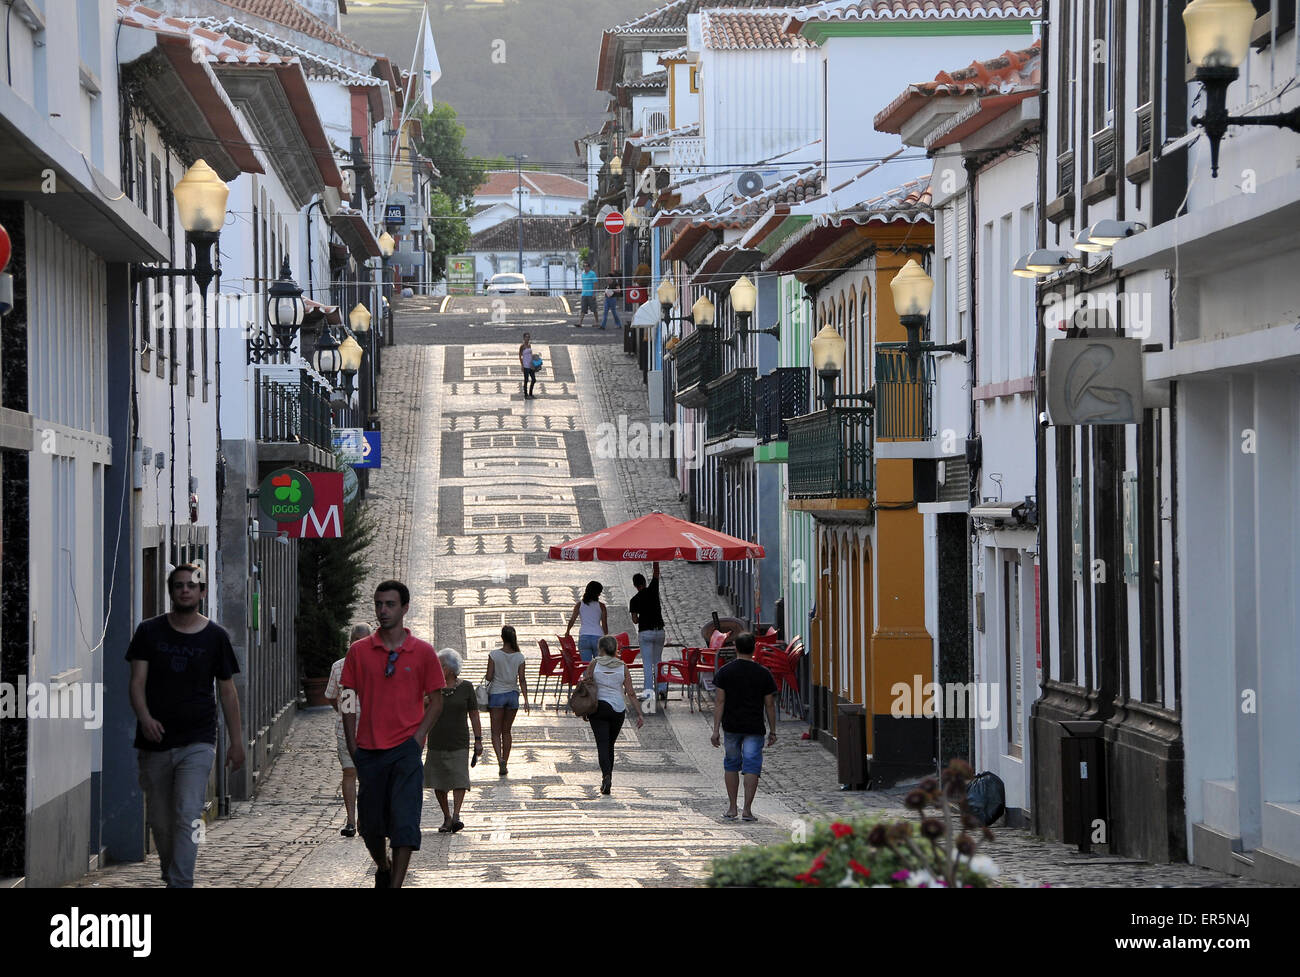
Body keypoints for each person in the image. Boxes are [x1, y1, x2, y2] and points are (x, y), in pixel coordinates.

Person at [127, 563, 245, 888]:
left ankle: (181, 882)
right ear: (171, 591)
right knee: (161, 821)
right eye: (178, 585)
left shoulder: (216, 637)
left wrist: (236, 741)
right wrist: (145, 718)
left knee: (188, 811)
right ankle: (171, 873)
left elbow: (227, 691)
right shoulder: (149, 632)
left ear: (202, 592)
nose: (185, 590)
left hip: (198, 741)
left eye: (191, 586)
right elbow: (137, 682)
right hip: (155, 741)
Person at [341, 580, 445, 888]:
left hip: (405, 750)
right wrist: (352, 745)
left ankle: (395, 885)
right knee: (370, 826)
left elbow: (437, 700)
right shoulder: (359, 652)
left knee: (404, 823)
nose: (383, 610)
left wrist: (418, 739)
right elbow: (347, 698)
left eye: (389, 604)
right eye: (378, 604)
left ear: (405, 608)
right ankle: (383, 865)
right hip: (369, 751)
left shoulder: (423, 652)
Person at [709, 631, 778, 822]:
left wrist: (715, 730)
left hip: (731, 726)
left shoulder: (725, 672)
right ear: (754, 648)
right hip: (754, 727)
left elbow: (720, 702)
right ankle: (747, 810)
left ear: (736, 648)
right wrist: (773, 730)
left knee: (731, 764)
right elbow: (769, 705)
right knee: (752, 766)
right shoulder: (763, 674)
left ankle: (732, 808)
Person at [424, 649, 482, 833]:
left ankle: (456, 815)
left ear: (448, 669)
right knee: (438, 781)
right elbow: (418, 708)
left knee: (459, 778)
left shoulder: (466, 688)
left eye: (439, 666)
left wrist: (478, 740)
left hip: (459, 741)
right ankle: (447, 816)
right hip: (437, 740)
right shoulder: (432, 688)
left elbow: (474, 714)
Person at [325, 623, 372, 837]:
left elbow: (333, 697)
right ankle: (354, 820)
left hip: (370, 729)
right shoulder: (340, 667)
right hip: (350, 730)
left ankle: (360, 819)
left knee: (362, 775)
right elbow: (334, 696)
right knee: (351, 772)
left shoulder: (376, 666)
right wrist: (345, 714)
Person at [584, 635, 644, 795]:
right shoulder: (623, 666)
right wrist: (640, 713)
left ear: (601, 648)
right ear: (615, 649)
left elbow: (587, 684)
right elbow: (630, 692)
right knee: (610, 744)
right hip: (618, 710)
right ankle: (608, 775)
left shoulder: (594, 663)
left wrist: (585, 709)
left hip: (599, 708)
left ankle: (606, 776)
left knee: (602, 744)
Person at [484, 625, 530, 777]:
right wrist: (526, 700)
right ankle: (506, 760)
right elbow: (522, 679)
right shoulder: (519, 656)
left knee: (495, 732)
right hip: (512, 695)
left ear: (502, 637)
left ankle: (499, 760)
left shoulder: (494, 655)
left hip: (497, 694)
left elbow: (489, 676)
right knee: (507, 731)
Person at [628, 562, 668, 701]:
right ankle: (662, 689)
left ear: (635, 585)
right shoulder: (653, 589)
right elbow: (656, 572)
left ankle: (648, 693)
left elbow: (635, 620)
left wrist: (641, 617)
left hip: (645, 633)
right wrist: (656, 559)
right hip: (659, 632)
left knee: (647, 664)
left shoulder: (634, 600)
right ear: (645, 582)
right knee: (658, 661)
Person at [565, 581, 607, 663]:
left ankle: (587, 676)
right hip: (598, 637)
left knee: (586, 666)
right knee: (598, 666)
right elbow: (604, 624)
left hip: (584, 637)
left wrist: (567, 631)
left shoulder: (579, 605)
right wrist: (606, 637)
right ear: (598, 594)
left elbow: (572, 619)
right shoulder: (601, 606)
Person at [576, 261, 598, 327]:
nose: (585, 267)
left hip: (590, 294)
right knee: (583, 309)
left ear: (589, 267)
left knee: (594, 309)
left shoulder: (592, 274)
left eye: (586, 266)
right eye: (584, 266)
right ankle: (580, 322)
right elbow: (583, 284)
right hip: (584, 294)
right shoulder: (582, 274)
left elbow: (595, 283)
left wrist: (594, 293)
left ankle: (597, 322)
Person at [518, 332, 537, 399]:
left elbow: (530, 354)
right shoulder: (522, 346)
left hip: (530, 365)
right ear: (524, 338)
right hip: (525, 365)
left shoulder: (529, 345)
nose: (527, 338)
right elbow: (520, 356)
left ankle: (530, 393)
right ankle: (526, 395)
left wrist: (533, 363)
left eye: (528, 337)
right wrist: (522, 365)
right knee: (526, 380)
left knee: (534, 379)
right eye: (526, 337)